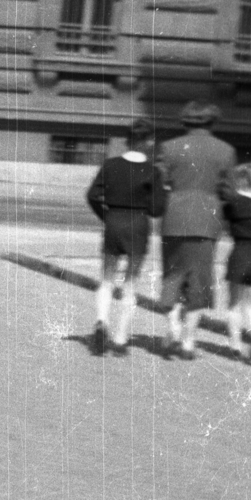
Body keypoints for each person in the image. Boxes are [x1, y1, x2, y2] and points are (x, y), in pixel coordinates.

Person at [156, 102, 237, 360]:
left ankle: (173, 328)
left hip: (174, 218)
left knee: (172, 275)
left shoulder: (169, 147)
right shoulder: (226, 151)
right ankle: (189, 342)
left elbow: (160, 182)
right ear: (212, 122)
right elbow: (230, 192)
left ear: (185, 121)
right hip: (206, 220)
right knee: (200, 282)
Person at [85, 119, 162, 356]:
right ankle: (119, 339)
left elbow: (92, 195)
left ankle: (101, 320)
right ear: (149, 142)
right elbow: (157, 209)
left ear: (127, 140)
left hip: (113, 222)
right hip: (137, 225)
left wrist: (106, 216)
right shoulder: (152, 171)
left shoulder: (110, 165)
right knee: (130, 284)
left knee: (106, 278)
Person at [222, 161, 251, 364]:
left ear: (242, 180)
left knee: (233, 303)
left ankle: (235, 346)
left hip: (240, 251)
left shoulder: (236, 202)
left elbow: (225, 217)